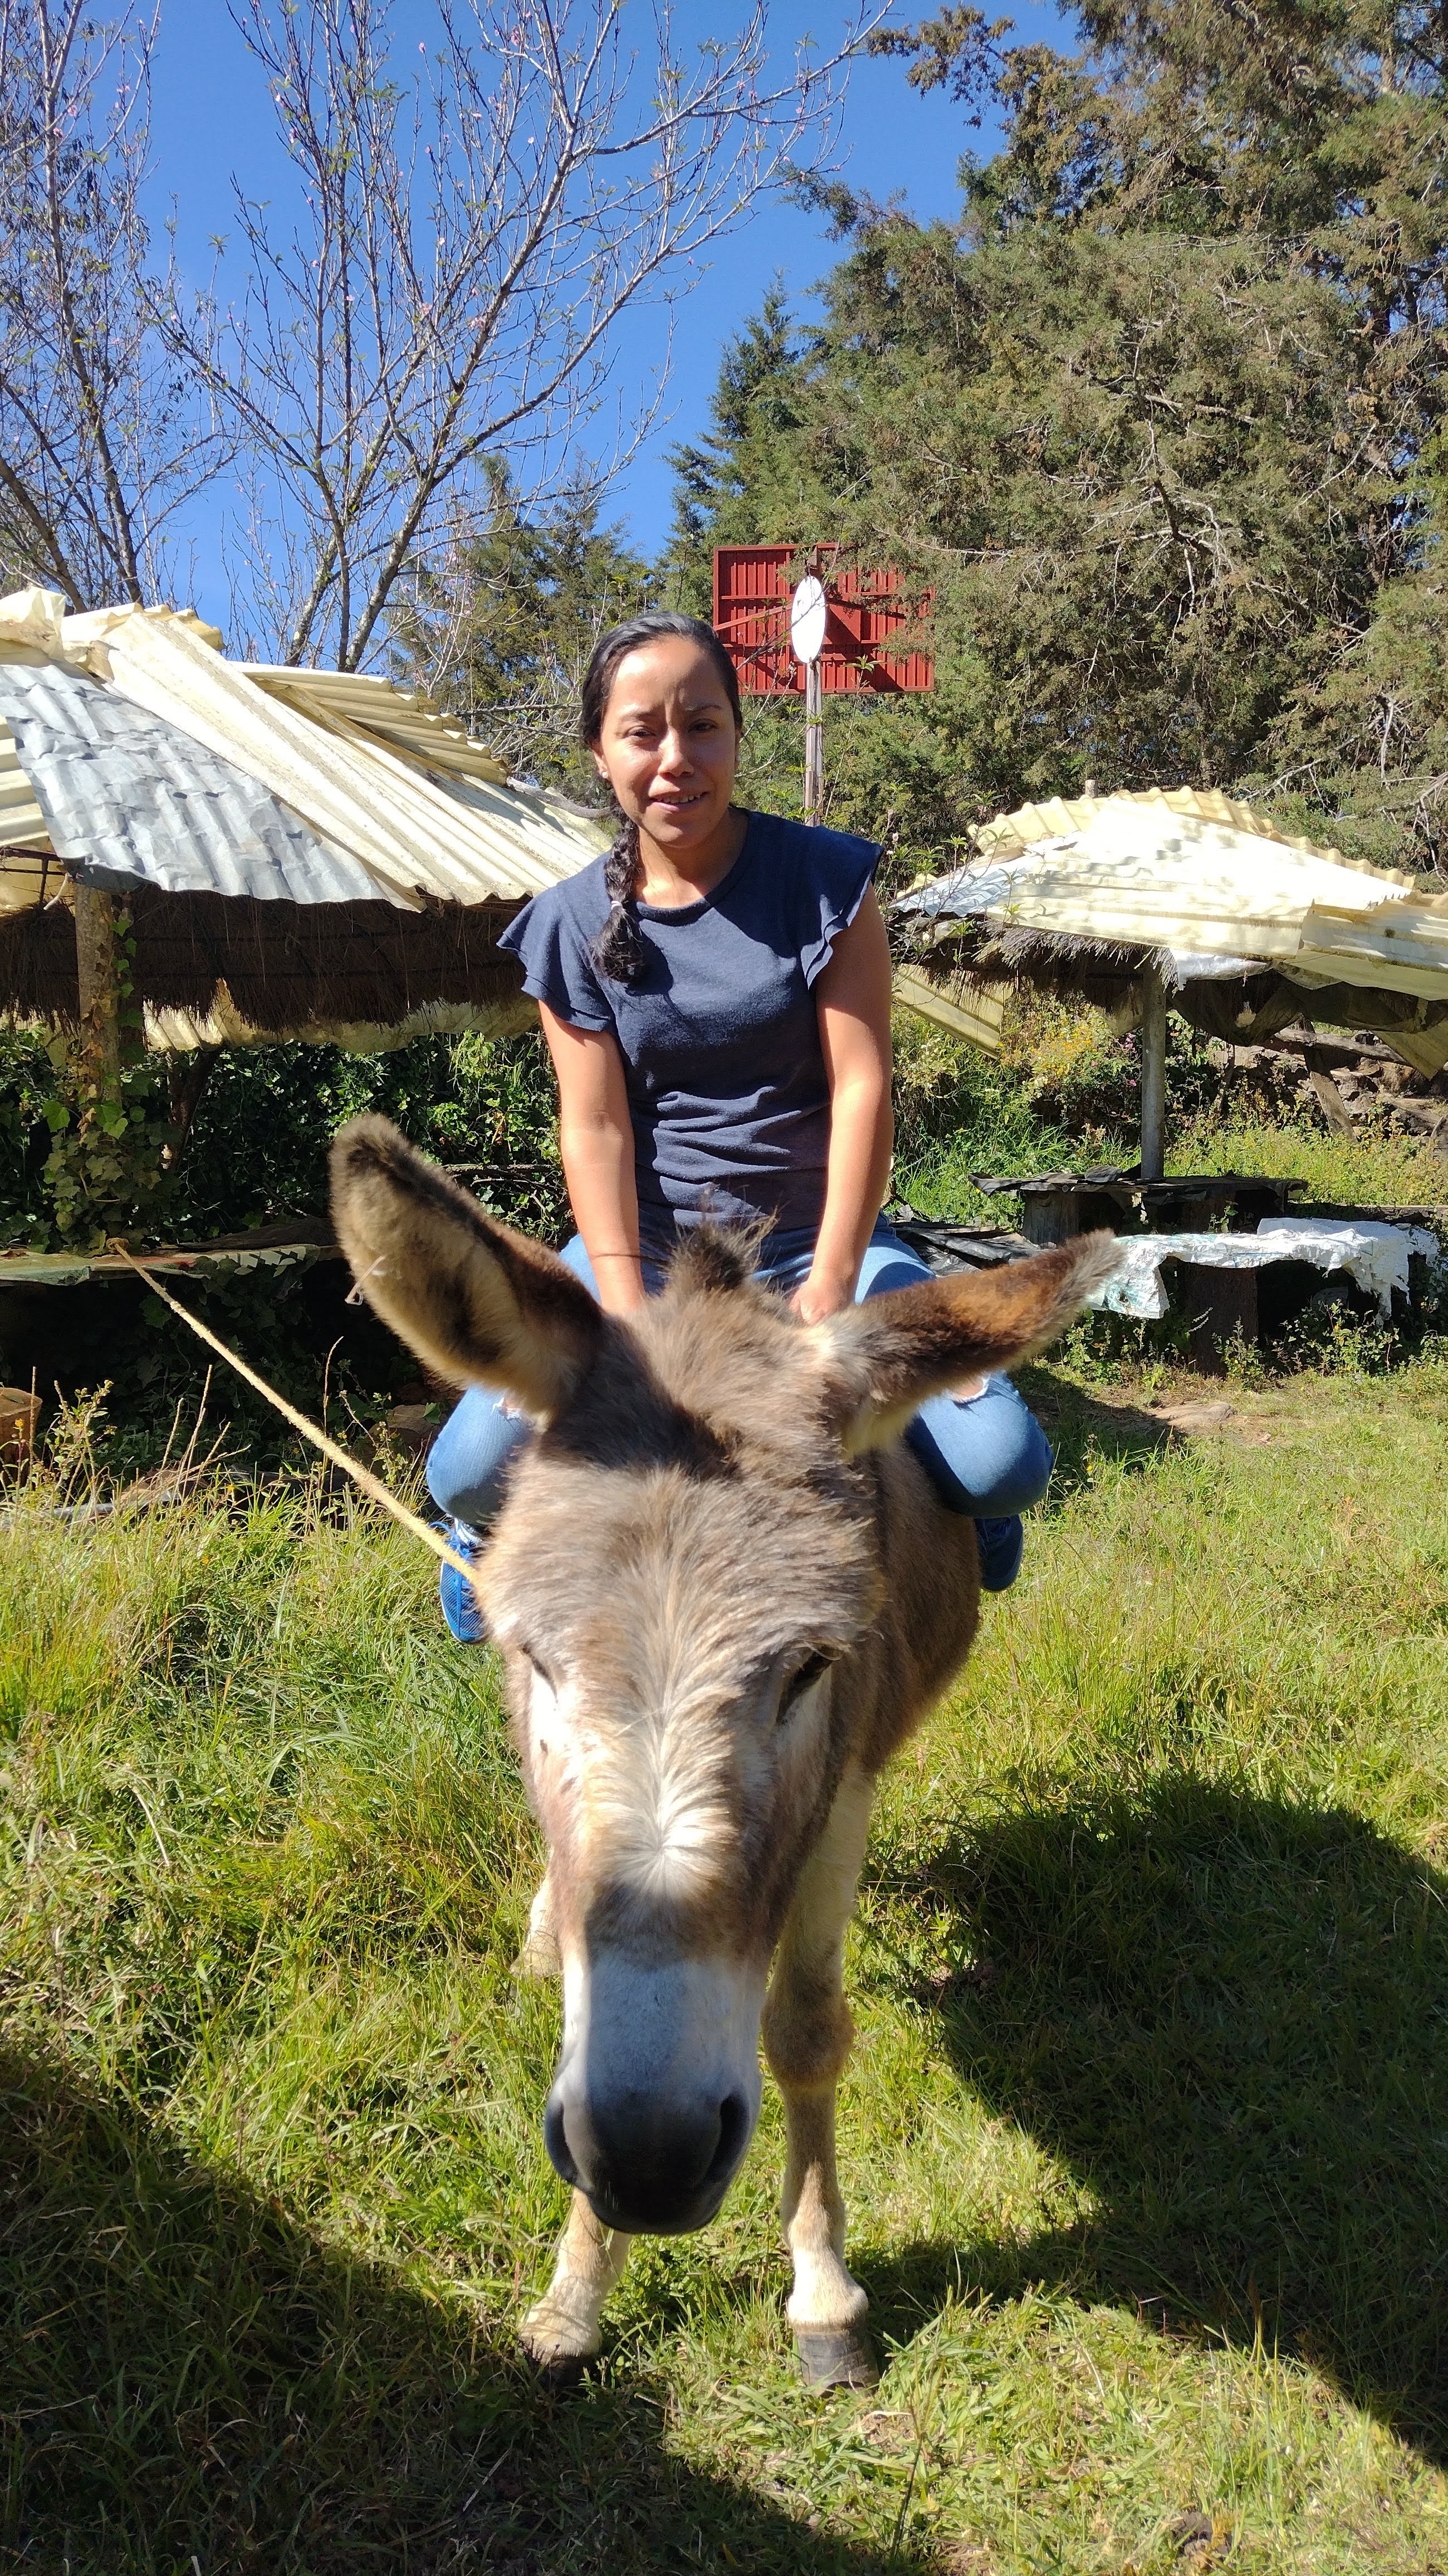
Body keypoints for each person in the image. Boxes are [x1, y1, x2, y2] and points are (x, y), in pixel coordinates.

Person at [427, 609, 1053, 1641]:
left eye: (703, 725)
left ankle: (969, 1524)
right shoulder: (571, 924)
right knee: (465, 1474)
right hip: (652, 1249)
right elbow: (594, 1132)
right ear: (599, 751)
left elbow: (862, 1088)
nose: (676, 758)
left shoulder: (826, 887)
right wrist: (625, 1317)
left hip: (821, 1240)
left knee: (1002, 1466)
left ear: (736, 736)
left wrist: (836, 1282)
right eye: (642, 732)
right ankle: (475, 1543)